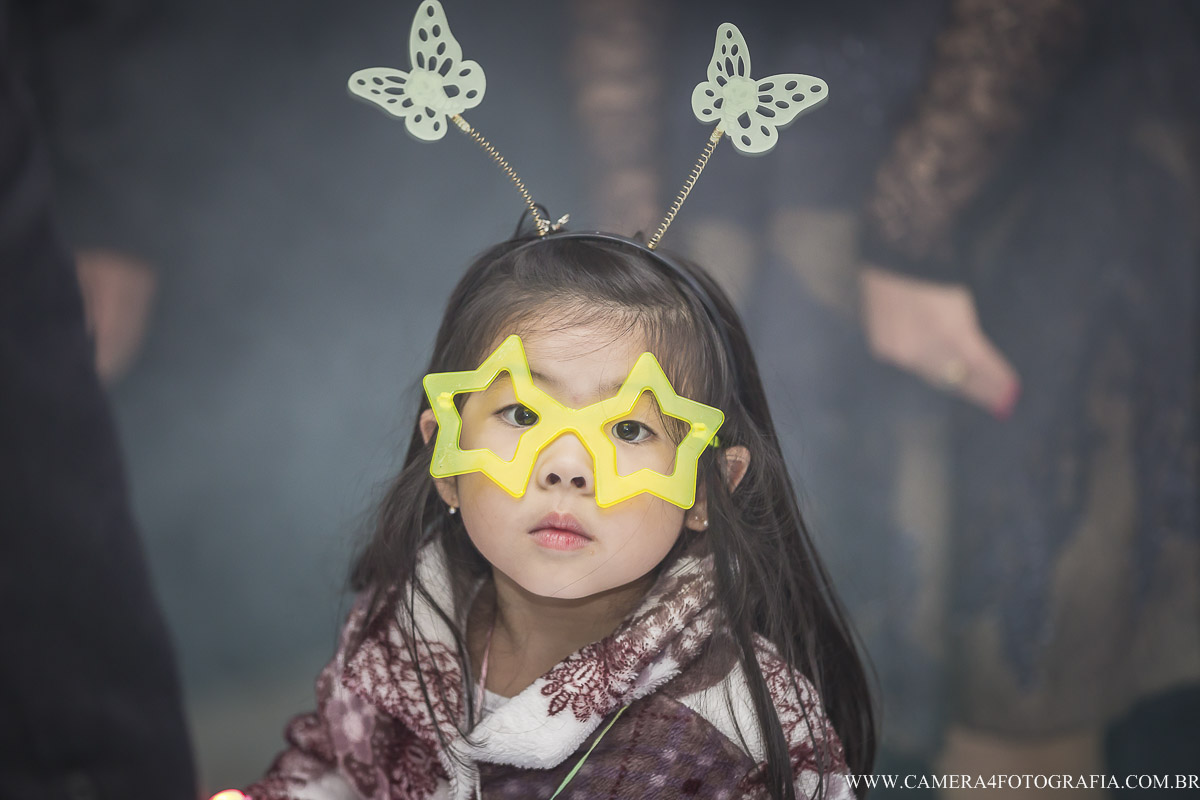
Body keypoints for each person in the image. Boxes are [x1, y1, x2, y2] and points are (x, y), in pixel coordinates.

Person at [242, 230, 876, 800]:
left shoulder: (744, 730)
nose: (568, 467)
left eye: (628, 428)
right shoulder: (396, 629)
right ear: (447, 456)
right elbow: (331, 772)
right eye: (522, 416)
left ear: (707, 490)